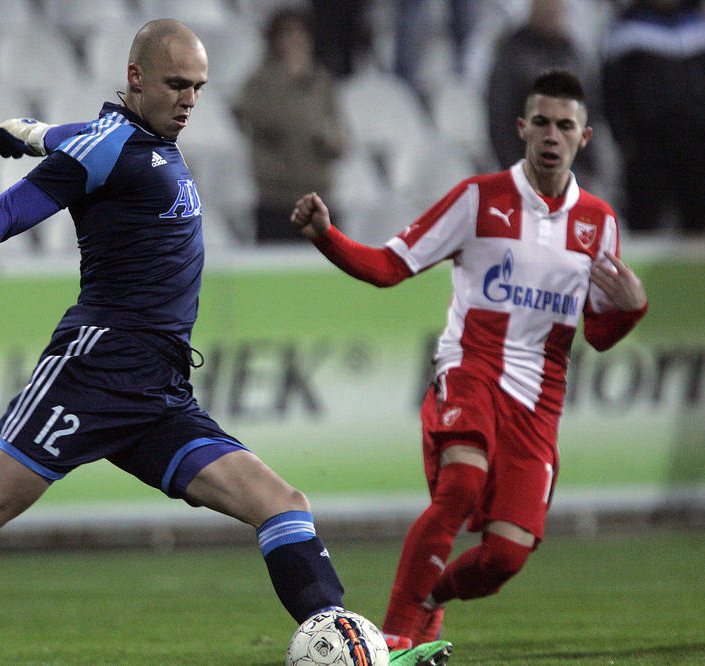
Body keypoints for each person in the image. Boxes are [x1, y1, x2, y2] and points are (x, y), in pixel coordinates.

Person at [0, 19, 452, 666]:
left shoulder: (135, 141)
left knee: (283, 502)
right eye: (176, 84)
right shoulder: (111, 145)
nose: (189, 100)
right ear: (136, 76)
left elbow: (100, 142)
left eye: (198, 87)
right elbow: (3, 214)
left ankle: (353, 648)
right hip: (93, 372)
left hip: (160, 393)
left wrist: (37, 130)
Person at [290, 70, 646, 653]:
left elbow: (600, 334)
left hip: (539, 401)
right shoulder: (479, 198)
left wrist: (631, 310)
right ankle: (396, 636)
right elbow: (388, 267)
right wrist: (328, 236)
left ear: (584, 138)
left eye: (565, 125)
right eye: (541, 122)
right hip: (470, 368)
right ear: (521, 128)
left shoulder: (598, 224)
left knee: (505, 556)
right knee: (461, 482)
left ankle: (430, 599)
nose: (551, 135)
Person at [233, 6, 346, 244]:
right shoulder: (259, 83)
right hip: (277, 199)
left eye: (301, 33)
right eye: (288, 33)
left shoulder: (322, 82)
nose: (296, 41)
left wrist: (335, 141)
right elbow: (273, 121)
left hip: (319, 196)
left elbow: (339, 128)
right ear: (275, 40)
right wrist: (293, 82)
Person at [601, 0, 705, 233]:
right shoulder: (627, 27)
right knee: (645, 223)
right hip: (647, 149)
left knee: (697, 224)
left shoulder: (697, 21)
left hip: (696, 147)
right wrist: (624, 139)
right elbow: (612, 90)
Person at [486, 0, 599, 189]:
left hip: (572, 172)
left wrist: (588, 167)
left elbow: (591, 112)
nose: (551, 11)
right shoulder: (513, 54)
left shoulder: (572, 53)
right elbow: (501, 118)